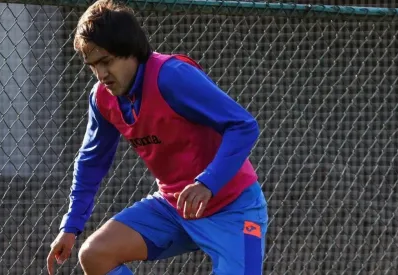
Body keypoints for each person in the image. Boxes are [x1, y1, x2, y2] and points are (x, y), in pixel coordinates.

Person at [47, 0, 268, 274]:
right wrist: (70, 227)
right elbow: (91, 162)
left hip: (233, 209)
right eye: (93, 65)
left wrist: (207, 182)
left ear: (129, 52)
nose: (101, 74)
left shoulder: (172, 76)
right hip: (174, 209)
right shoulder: (103, 98)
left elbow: (243, 126)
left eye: (106, 62)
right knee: (95, 255)